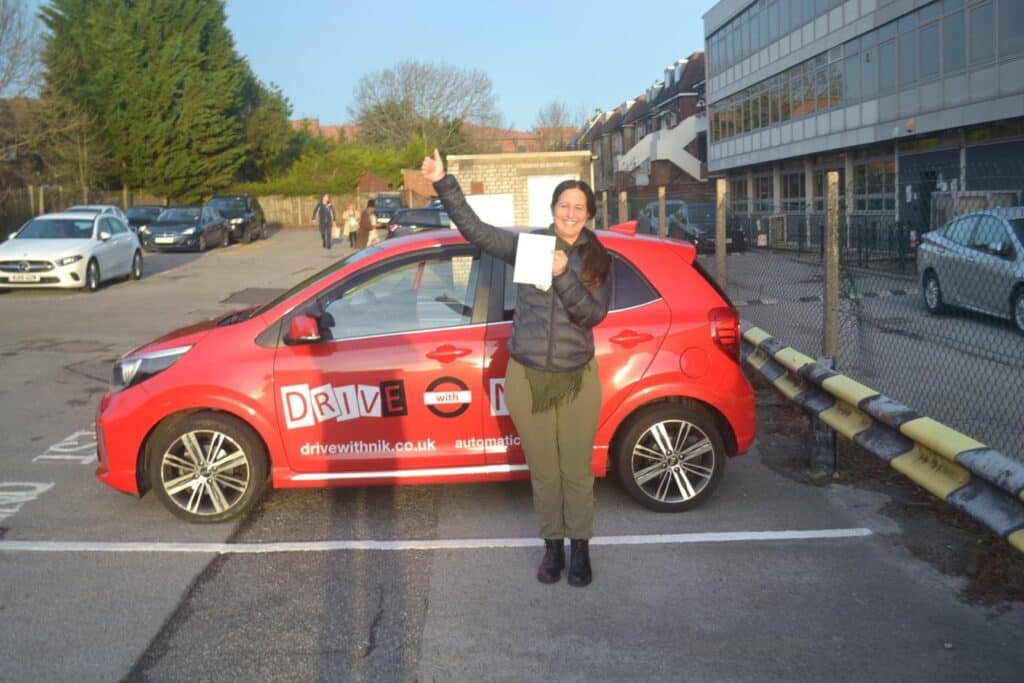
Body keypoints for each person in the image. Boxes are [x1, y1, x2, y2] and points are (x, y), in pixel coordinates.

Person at [421, 148, 612, 587]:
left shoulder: (598, 259)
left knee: (575, 471)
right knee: (544, 470)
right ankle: (553, 549)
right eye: (563, 205)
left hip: (576, 378)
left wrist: (563, 274)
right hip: (527, 377)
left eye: (578, 207)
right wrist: (443, 182)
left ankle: (580, 549)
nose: (569, 213)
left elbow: (592, 316)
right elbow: (479, 233)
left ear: (588, 215)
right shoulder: (531, 247)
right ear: (552, 210)